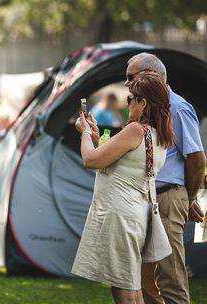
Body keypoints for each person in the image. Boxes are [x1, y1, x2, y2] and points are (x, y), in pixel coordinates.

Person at [72, 71, 174, 303]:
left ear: (143, 102)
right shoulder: (158, 135)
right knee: (131, 284)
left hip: (119, 215)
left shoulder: (135, 130)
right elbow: (123, 162)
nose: (128, 104)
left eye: (131, 99)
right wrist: (97, 137)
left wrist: (85, 133)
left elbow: (91, 160)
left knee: (123, 289)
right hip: (135, 215)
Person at [125, 53, 206, 304]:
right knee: (144, 280)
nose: (126, 83)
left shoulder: (178, 108)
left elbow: (196, 159)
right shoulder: (144, 107)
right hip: (144, 200)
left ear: (153, 75)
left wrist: (187, 198)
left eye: (131, 77)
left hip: (169, 198)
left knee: (170, 276)